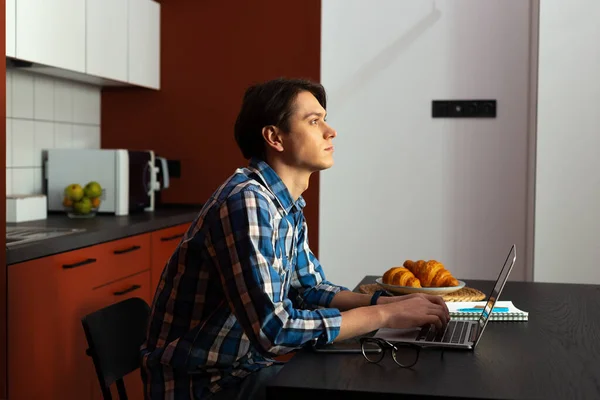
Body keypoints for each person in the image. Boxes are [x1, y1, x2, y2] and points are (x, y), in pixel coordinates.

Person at [140, 77, 450, 400]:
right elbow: (273, 330)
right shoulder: (247, 201)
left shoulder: (286, 205)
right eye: (314, 122)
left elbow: (309, 290)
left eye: (324, 120)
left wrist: (389, 302)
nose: (331, 132)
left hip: (244, 369)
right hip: (203, 386)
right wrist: (384, 317)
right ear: (275, 137)